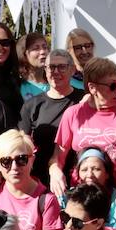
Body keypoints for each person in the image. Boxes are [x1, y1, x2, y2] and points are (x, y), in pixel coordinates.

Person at [49, 57, 116, 195]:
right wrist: (54, 171)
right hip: (82, 193)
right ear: (92, 87)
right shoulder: (73, 113)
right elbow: (58, 157)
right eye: (112, 86)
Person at [0, 129, 62, 230]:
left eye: (21, 159)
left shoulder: (46, 200)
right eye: (6, 161)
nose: (14, 166)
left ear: (32, 159)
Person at [19, 47, 85, 182]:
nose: (55, 72)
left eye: (61, 67)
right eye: (51, 67)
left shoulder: (84, 100)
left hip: (80, 177)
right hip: (41, 178)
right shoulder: (31, 105)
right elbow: (22, 144)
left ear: (72, 70)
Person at [73, 148, 116, 230]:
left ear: (107, 173)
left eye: (96, 169)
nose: (89, 175)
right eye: (84, 170)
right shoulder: (70, 198)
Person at [17, 32, 55, 99]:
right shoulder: (17, 86)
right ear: (24, 54)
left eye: (45, 47)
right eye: (36, 48)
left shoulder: (56, 83)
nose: (43, 52)